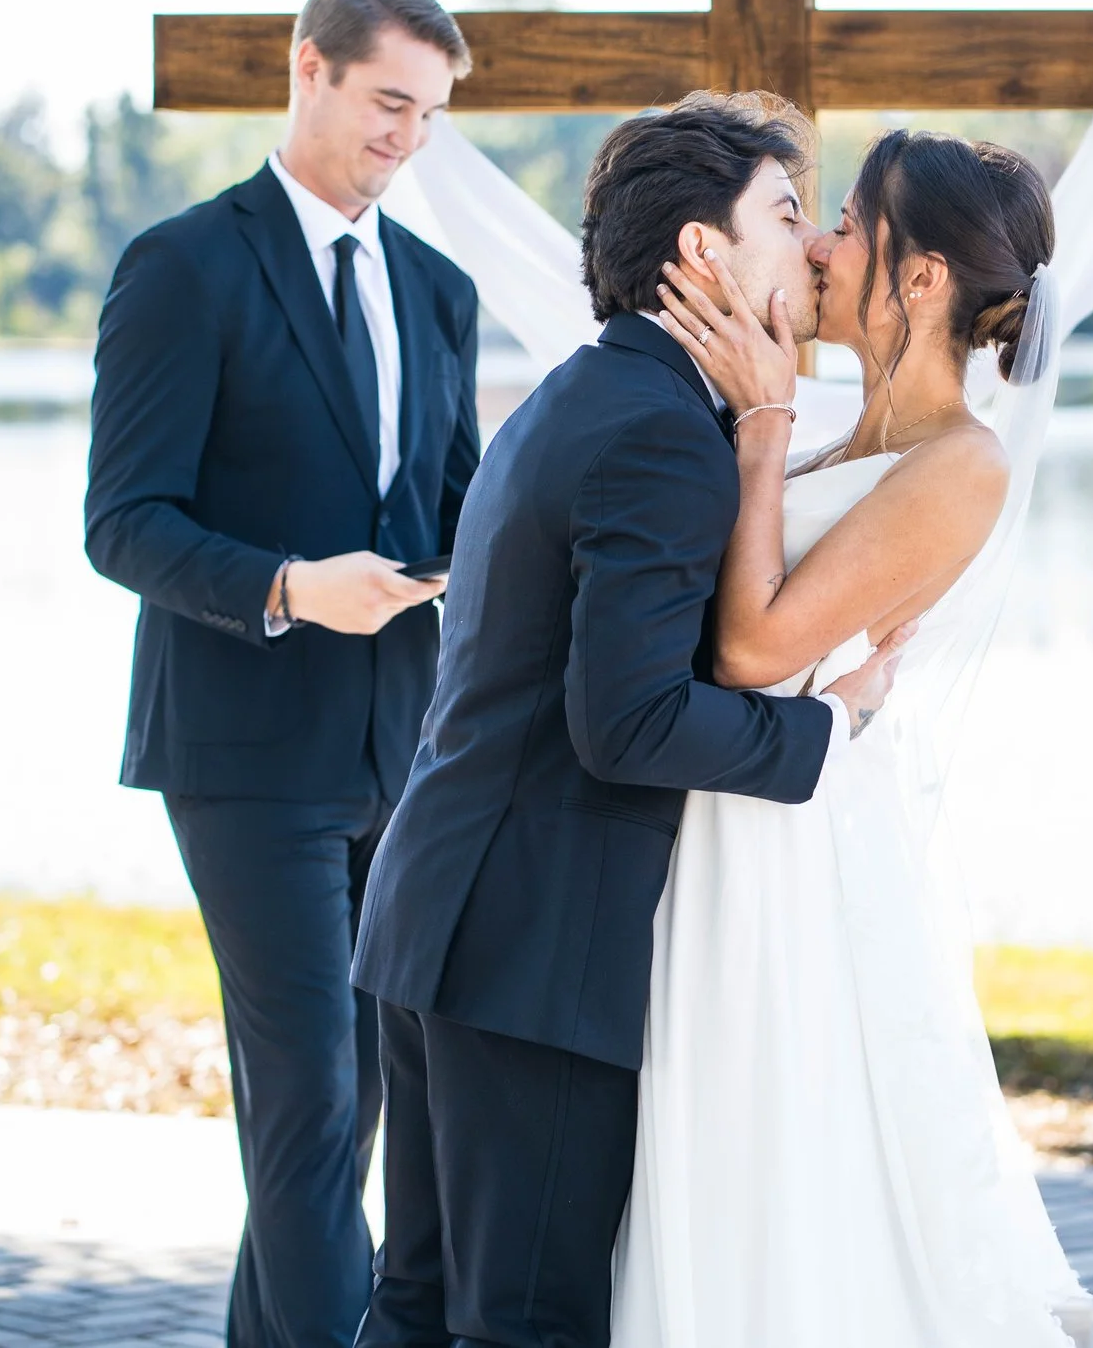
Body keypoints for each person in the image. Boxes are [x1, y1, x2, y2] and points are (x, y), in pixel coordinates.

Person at [348, 93, 912, 1347]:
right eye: (785, 213)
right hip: (529, 947)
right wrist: (831, 724)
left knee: (419, 1304)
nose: (813, 244)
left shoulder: (589, 392)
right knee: (525, 1322)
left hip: (443, 912)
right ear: (703, 250)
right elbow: (630, 722)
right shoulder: (658, 433)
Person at [618, 128, 1088, 1345]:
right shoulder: (847, 440)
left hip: (791, 854)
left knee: (778, 1159)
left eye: (847, 227)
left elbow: (754, 648)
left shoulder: (959, 463)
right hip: (726, 817)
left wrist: (763, 424)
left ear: (919, 277)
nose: (820, 247)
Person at [83, 0, 482, 1348]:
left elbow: (456, 507)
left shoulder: (438, 289)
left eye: (428, 116)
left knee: (352, 1104)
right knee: (312, 1098)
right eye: (388, 102)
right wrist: (290, 588)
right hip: (245, 754)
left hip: (404, 751)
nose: (406, 139)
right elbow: (123, 522)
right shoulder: (184, 265)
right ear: (309, 67)